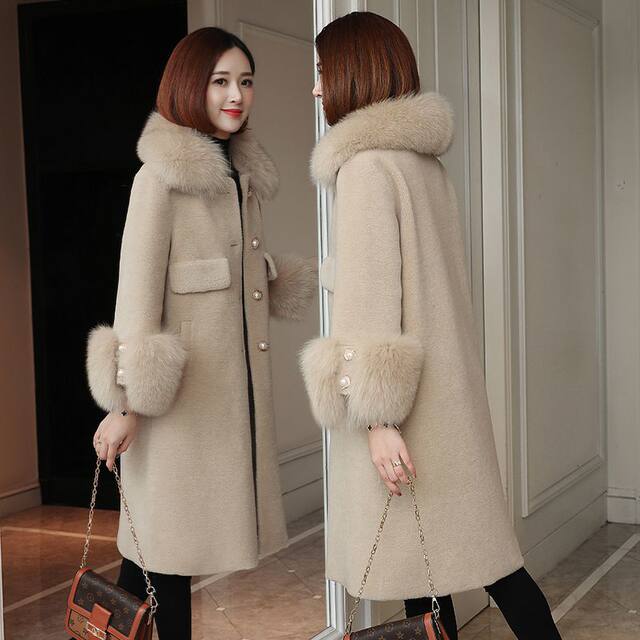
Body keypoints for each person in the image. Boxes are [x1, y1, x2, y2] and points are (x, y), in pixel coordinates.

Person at [299, 11, 562, 640]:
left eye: (322, 72)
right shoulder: (421, 164)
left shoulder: (365, 168)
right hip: (445, 395)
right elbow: (416, 278)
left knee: (447, 565)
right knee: (463, 561)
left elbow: (374, 306)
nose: (315, 87)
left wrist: (377, 421)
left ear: (353, 73)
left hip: (403, 410)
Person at [85, 27, 316, 639]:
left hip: (220, 407)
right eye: (220, 82)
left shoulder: (241, 178)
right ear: (190, 86)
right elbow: (135, 299)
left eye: (245, 81)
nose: (236, 95)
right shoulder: (159, 180)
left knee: (154, 560)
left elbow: (234, 275)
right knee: (165, 559)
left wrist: (286, 277)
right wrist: (126, 405)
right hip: (173, 412)